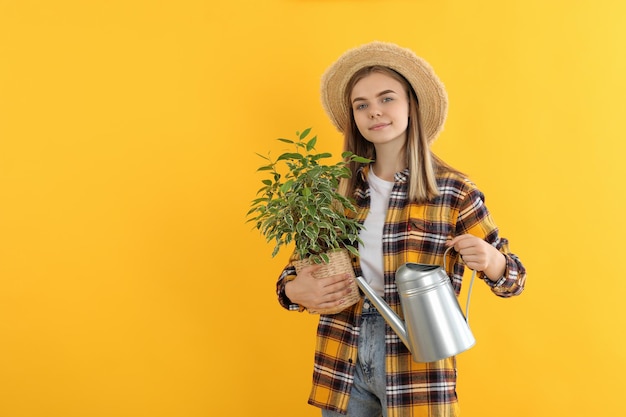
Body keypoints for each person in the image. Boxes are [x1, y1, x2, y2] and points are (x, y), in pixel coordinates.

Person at [276, 41, 526, 417]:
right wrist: (295, 289)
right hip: (342, 355)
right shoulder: (333, 194)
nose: (374, 110)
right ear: (354, 118)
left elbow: (514, 279)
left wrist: (492, 262)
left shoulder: (454, 192)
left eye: (386, 98)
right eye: (361, 105)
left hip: (417, 361)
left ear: (412, 106)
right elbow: (290, 279)